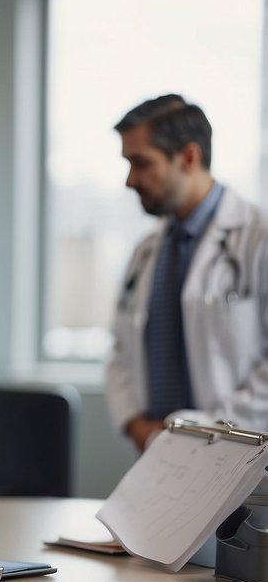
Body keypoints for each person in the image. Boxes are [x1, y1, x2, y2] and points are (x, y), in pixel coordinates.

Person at [105, 93, 268, 451]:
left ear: (189, 157)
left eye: (141, 162)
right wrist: (135, 424)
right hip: (159, 458)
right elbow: (120, 349)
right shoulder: (147, 251)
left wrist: (206, 431)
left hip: (240, 457)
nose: (130, 180)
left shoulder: (257, 238)